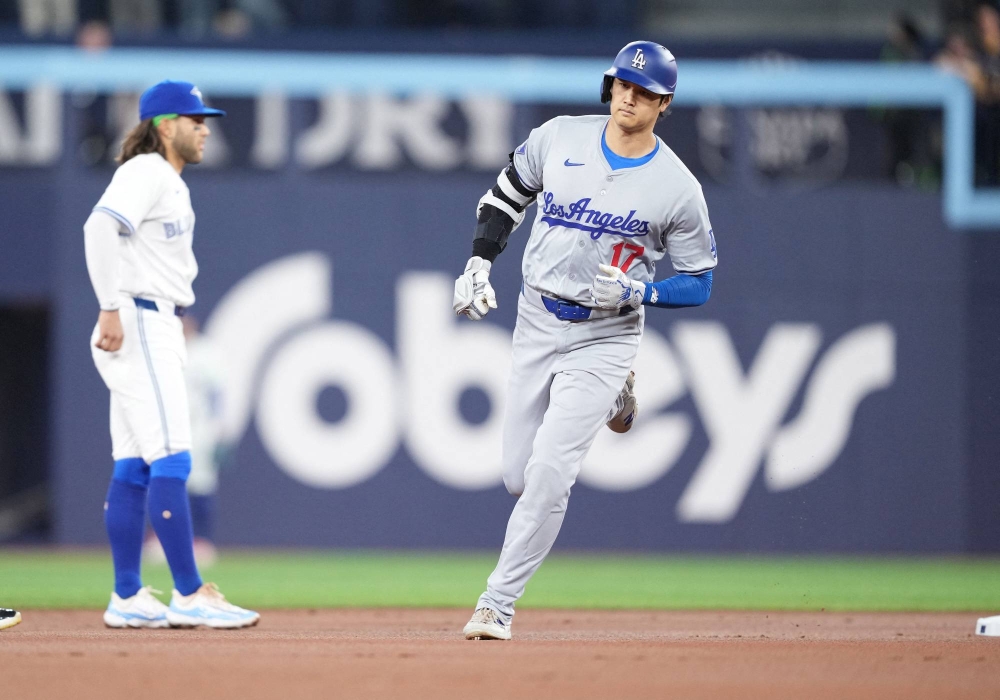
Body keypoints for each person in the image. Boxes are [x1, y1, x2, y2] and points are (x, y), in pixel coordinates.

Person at [453, 41, 716, 640]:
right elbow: (505, 197)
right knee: (518, 476)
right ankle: (620, 397)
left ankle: (497, 602)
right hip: (536, 316)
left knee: (549, 472)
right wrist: (477, 263)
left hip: (608, 332)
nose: (630, 96)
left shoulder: (677, 186)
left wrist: (644, 294)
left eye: (645, 91)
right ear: (610, 85)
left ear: (664, 103)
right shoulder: (560, 137)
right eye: (624, 83)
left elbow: (700, 282)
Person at [84, 80, 259, 629]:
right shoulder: (146, 171)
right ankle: (188, 592)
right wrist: (109, 306)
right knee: (173, 458)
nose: (205, 128)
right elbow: (98, 227)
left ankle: (128, 595)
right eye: (194, 118)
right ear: (164, 124)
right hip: (139, 318)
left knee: (134, 465)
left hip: (148, 318)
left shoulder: (167, 180)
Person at [143, 314, 226, 568]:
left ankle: (200, 541)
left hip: (199, 430)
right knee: (163, 482)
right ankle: (162, 538)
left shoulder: (205, 352)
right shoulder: (161, 349)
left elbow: (218, 393)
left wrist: (219, 429)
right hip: (165, 428)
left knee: (200, 484)